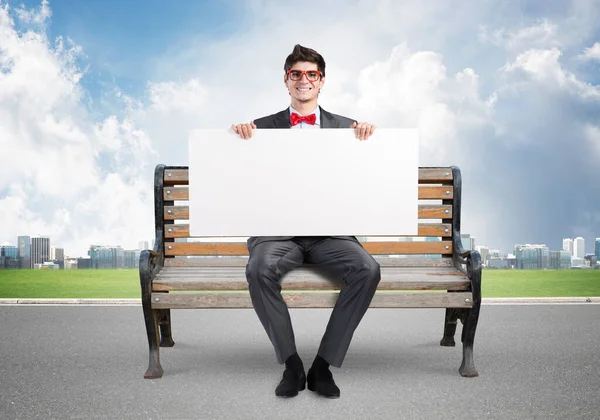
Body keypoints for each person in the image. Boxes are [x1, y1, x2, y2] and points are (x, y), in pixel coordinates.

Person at [231, 44, 380, 399]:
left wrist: (373, 141)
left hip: (330, 235)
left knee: (368, 269)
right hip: (279, 236)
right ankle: (292, 364)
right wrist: (234, 141)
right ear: (286, 80)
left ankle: (323, 365)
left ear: (322, 81)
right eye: (296, 73)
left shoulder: (349, 129)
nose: (304, 80)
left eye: (311, 74)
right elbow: (236, 178)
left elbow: (371, 177)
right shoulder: (257, 129)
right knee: (258, 269)